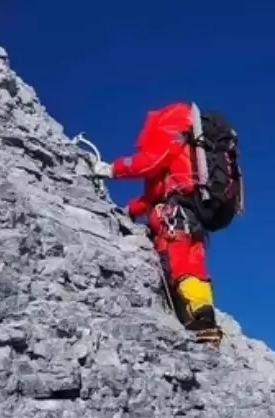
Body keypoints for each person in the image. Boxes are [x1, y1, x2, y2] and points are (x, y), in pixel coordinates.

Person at [91, 101, 223, 344]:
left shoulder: (171, 140)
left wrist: (112, 169)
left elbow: (149, 163)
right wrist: (131, 210)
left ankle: (201, 322)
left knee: (180, 266)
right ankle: (204, 317)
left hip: (174, 219)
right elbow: (153, 196)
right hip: (194, 219)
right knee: (195, 267)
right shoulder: (188, 156)